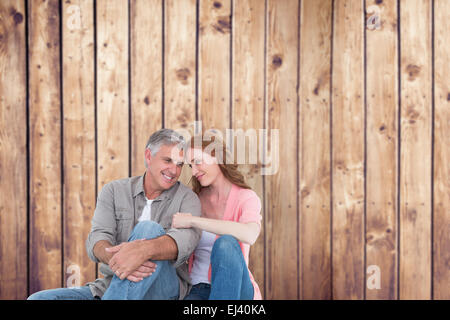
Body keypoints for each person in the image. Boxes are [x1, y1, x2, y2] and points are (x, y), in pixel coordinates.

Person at [28, 129, 202, 300]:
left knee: (148, 229)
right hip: (111, 285)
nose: (174, 170)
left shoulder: (188, 199)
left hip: (164, 289)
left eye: (179, 164)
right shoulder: (114, 191)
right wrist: (120, 260)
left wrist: (142, 251)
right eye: (168, 161)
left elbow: (185, 242)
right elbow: (97, 238)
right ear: (149, 156)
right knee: (38, 299)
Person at [171, 134, 262, 300]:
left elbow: (250, 234)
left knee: (226, 243)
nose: (194, 171)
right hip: (198, 288)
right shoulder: (193, 200)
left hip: (238, 289)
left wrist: (193, 221)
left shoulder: (246, 197)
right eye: (190, 166)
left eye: (198, 162)